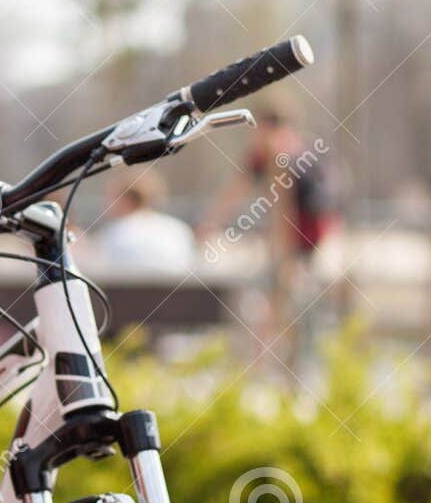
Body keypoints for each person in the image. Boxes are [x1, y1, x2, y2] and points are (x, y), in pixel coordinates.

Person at [197, 97, 338, 368]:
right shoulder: (281, 151)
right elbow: (237, 190)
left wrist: (286, 257)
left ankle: (266, 366)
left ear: (268, 127)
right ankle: (268, 363)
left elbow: (287, 211)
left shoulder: (280, 154)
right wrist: (211, 222)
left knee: (282, 305)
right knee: (278, 305)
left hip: (299, 240)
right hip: (303, 240)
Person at [87, 167, 195, 272]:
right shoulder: (179, 229)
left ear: (126, 200)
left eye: (111, 197)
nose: (105, 203)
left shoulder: (114, 233)